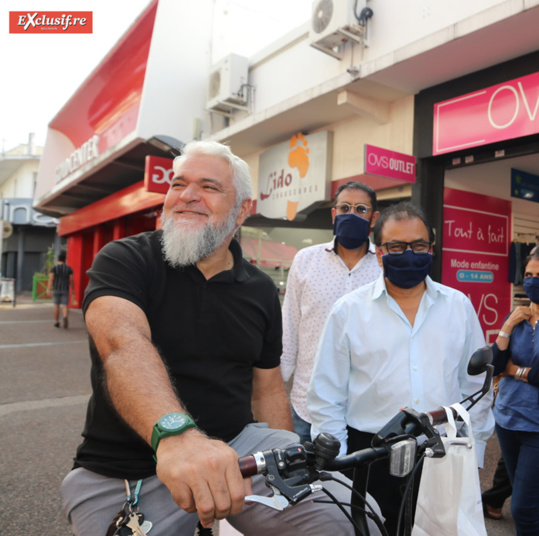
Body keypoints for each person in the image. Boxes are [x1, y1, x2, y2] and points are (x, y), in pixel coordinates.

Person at [60, 141, 380, 535]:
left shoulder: (260, 289)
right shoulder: (125, 258)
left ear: (243, 209)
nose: (188, 196)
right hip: (126, 473)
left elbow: (266, 390)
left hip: (241, 450)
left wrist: (288, 466)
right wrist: (176, 438)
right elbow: (122, 343)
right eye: (179, 184)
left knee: (351, 518)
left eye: (209, 187)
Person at [307, 201, 494, 532]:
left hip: (442, 452)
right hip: (370, 455)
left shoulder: (458, 307)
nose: (409, 253)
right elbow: (326, 396)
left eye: (419, 245)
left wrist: (473, 452)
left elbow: (473, 389)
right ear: (380, 253)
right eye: (396, 246)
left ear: (431, 249)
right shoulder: (348, 311)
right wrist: (339, 467)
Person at [281, 180, 382, 444]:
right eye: (344, 207)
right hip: (307, 406)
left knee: (360, 484)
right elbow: (289, 329)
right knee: (306, 483)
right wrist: (275, 391)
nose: (351, 214)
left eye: (361, 209)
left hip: (366, 410)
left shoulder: (385, 266)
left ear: (373, 218)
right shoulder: (305, 260)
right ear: (333, 214)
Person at [486, 250, 539, 535]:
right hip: (507, 421)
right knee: (523, 504)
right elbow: (495, 365)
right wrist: (507, 326)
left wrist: (517, 371)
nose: (533, 281)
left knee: (522, 508)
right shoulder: (516, 316)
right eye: (529, 275)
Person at [48, 250, 74, 328]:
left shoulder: (54, 268)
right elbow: (71, 280)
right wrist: (73, 289)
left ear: (58, 260)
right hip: (65, 289)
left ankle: (56, 322)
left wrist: (48, 289)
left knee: (56, 305)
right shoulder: (69, 269)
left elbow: (51, 279)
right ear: (65, 260)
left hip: (56, 289)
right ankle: (65, 316)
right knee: (65, 305)